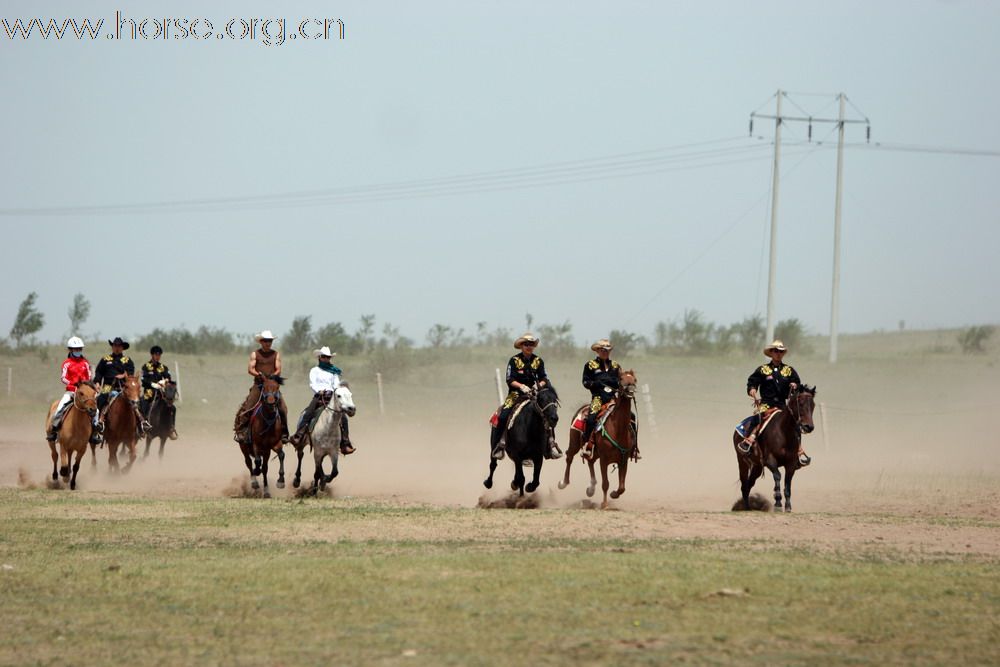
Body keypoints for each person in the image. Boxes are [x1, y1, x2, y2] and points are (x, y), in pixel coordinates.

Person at [737, 339, 811, 466]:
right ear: (771, 353)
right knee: (758, 418)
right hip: (766, 404)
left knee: (795, 423)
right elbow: (752, 382)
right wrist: (752, 390)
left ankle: (798, 450)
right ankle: (749, 441)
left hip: (783, 406)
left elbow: (798, 384)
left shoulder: (789, 370)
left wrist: (795, 385)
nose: (778, 353)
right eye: (776, 351)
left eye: (780, 351)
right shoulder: (762, 369)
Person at [490, 332, 561, 460]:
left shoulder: (538, 361)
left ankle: (550, 444)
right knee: (503, 415)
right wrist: (521, 386)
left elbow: (545, 378)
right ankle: (499, 446)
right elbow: (509, 379)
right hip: (516, 394)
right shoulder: (514, 360)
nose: (529, 346)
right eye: (526, 344)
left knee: (548, 414)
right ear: (521, 346)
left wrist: (537, 385)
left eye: (531, 344)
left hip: (534, 394)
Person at [579, 338, 639, 460]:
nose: (605, 352)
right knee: (591, 418)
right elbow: (585, 382)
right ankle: (587, 445)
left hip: (613, 398)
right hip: (598, 398)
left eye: (607, 350)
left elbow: (620, 381)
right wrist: (596, 384)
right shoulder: (590, 365)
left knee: (631, 417)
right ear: (597, 351)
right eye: (602, 350)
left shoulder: (616, 366)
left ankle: (634, 448)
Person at [290, 346, 355, 454]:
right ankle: (299, 435)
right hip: (319, 395)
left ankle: (345, 442)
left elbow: (336, 385)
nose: (326, 359)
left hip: (332, 396)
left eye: (328, 357)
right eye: (324, 357)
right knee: (308, 413)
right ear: (320, 357)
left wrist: (336, 391)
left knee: (344, 418)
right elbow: (312, 383)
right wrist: (318, 391)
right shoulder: (314, 370)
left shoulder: (334, 371)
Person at [233, 330, 289, 445]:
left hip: (271, 386)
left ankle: (284, 433)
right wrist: (258, 374)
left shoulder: (276, 354)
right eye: (266, 341)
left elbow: (278, 368)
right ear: (261, 342)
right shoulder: (255, 354)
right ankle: (242, 430)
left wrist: (274, 375)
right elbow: (250, 369)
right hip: (258, 385)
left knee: (283, 407)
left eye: (270, 341)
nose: (268, 343)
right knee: (249, 405)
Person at [46, 336, 101, 445]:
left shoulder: (85, 363)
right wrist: (73, 384)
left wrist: (87, 387)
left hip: (84, 394)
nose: (78, 351)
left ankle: (94, 432)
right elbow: (63, 378)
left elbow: (88, 377)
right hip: (71, 391)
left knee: (96, 411)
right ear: (70, 350)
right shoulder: (66, 363)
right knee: (59, 408)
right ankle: (54, 430)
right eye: (75, 349)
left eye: (79, 349)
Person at [93, 336, 148, 437]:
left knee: (138, 401)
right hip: (108, 386)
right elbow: (99, 373)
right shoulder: (105, 360)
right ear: (112, 347)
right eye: (115, 346)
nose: (117, 348)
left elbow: (131, 374)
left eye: (119, 346)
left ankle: (142, 423)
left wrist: (123, 375)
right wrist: (97, 383)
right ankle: (99, 422)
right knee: (100, 399)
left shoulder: (127, 360)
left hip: (124, 387)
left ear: (122, 348)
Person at [141, 345, 178, 440]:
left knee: (172, 408)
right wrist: (153, 384)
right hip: (149, 392)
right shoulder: (146, 367)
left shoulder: (163, 368)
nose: (157, 356)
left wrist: (165, 381)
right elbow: (143, 380)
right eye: (156, 354)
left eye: (159, 355)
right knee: (142, 404)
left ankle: (171, 428)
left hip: (161, 394)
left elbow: (169, 379)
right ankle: (142, 428)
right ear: (152, 355)